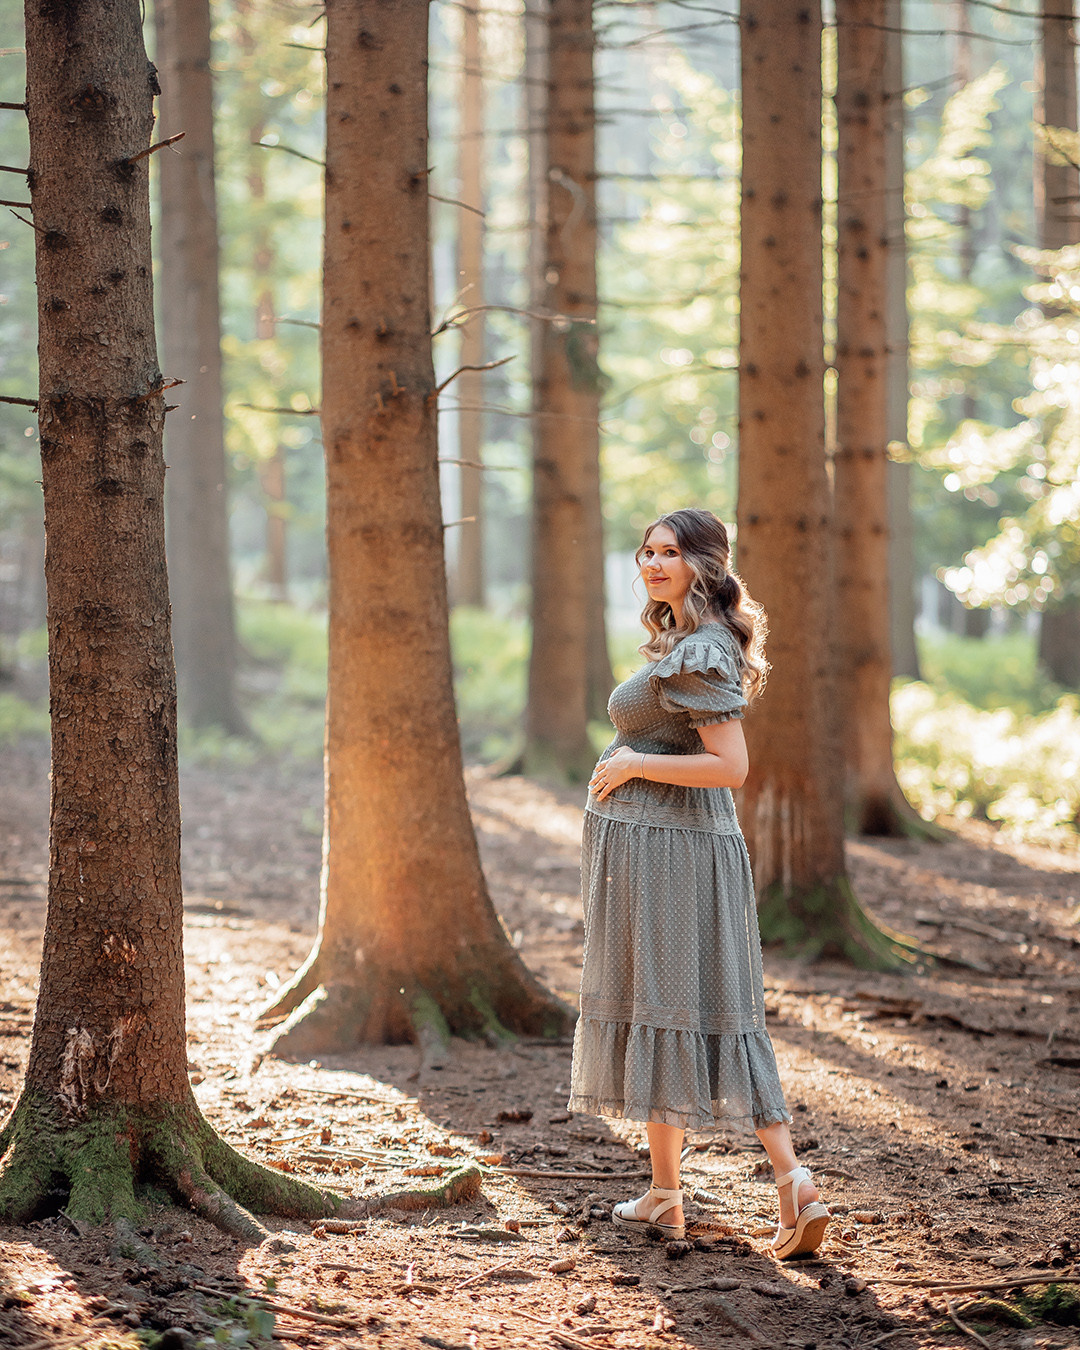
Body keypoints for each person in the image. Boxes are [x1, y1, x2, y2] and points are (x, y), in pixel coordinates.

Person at [567, 507, 829, 1260]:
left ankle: (789, 1183)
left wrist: (632, 765)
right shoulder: (685, 640)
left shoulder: (705, 650)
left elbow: (732, 767)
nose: (653, 563)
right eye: (646, 550)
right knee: (676, 1002)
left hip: (673, 853)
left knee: (698, 1004)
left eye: (671, 552)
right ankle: (668, 1193)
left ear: (703, 564)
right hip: (666, 849)